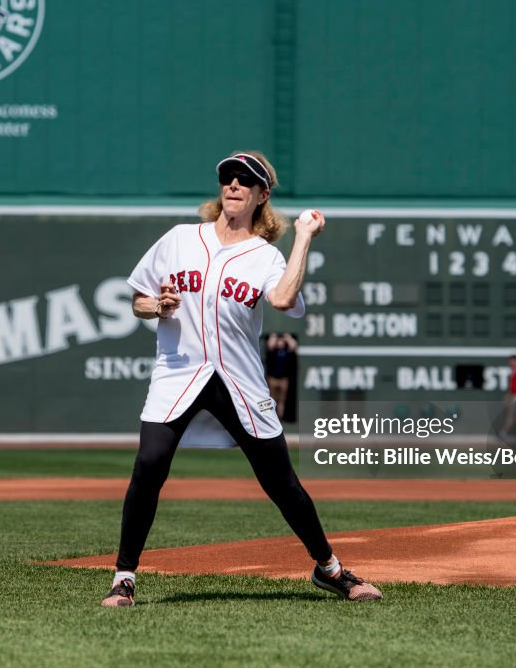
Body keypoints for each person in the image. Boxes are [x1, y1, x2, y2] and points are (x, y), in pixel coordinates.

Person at [101, 151, 382, 607]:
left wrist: (304, 238)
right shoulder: (178, 239)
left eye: (244, 181)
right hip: (179, 374)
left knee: (282, 483)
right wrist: (157, 307)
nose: (233, 185)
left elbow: (285, 298)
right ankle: (124, 577)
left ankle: (330, 569)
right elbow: (139, 298)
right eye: (227, 178)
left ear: (261, 195)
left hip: (239, 381)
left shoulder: (264, 255)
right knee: (149, 465)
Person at [265, 332, 298, 421]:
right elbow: (270, 344)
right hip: (273, 379)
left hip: (283, 379)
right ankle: (271, 419)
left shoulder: (287, 351)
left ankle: (280, 419)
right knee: (271, 399)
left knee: (281, 401)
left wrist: (288, 337)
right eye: (279, 341)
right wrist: (274, 336)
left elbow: (293, 346)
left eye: (282, 341)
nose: (280, 342)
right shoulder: (273, 351)